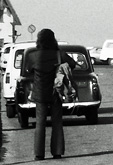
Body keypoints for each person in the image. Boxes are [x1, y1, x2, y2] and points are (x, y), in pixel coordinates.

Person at [24, 29, 76, 161]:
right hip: (55, 92)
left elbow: (28, 71)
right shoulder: (59, 54)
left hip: (40, 93)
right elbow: (72, 64)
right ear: (53, 39)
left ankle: (39, 154)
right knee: (57, 122)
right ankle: (57, 152)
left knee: (40, 123)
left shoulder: (33, 56)